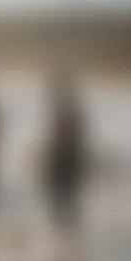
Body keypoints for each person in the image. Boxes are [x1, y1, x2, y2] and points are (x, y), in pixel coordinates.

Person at [41, 72, 86, 230]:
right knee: (64, 199)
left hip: (64, 158)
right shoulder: (66, 110)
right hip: (65, 157)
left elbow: (69, 136)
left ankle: (65, 229)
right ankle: (64, 229)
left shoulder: (67, 110)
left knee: (64, 198)